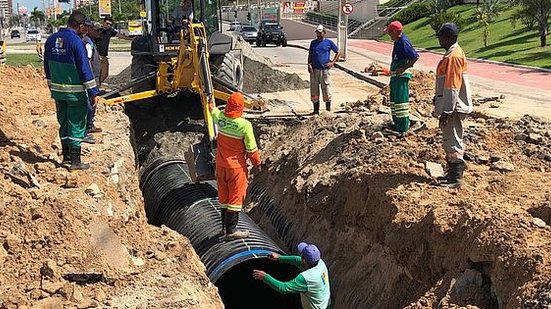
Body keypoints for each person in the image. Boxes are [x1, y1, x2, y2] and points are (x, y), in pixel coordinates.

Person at [44, 11, 99, 170]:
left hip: (58, 92)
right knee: (76, 124)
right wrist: (93, 92)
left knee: (64, 123)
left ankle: (66, 157)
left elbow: (46, 65)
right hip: (75, 94)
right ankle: (75, 162)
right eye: (85, 27)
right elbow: (84, 68)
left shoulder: (51, 39)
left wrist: (51, 85)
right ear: (80, 26)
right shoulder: (76, 41)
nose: (86, 31)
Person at [208, 92, 262, 240]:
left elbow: (212, 110)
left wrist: (210, 102)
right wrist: (257, 164)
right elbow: (252, 150)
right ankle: (231, 231)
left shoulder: (220, 119)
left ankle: (224, 228)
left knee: (224, 197)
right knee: (235, 198)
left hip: (220, 166)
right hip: (236, 168)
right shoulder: (244, 125)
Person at [433, 23, 473, 188]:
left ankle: (456, 178)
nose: (439, 40)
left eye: (441, 37)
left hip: (454, 107)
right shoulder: (452, 54)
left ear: (448, 38)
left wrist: (447, 111)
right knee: (449, 139)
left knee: (453, 140)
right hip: (451, 106)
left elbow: (452, 86)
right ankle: (451, 174)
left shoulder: (453, 57)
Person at [253, 242, 331, 309]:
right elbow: (298, 260)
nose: (300, 257)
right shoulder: (320, 262)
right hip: (325, 302)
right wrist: (280, 258)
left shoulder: (306, 278)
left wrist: (265, 277)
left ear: (305, 260)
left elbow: (284, 288)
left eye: (302, 255)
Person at [385, 21, 419, 136]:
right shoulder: (398, 41)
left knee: (401, 102)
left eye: (390, 32)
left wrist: (404, 68)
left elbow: (414, 57)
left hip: (401, 77)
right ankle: (397, 123)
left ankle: (402, 127)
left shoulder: (403, 42)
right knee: (395, 101)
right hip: (396, 77)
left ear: (395, 32)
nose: (389, 35)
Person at [308, 25, 340, 115]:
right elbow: (310, 54)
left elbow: (338, 52)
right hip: (314, 70)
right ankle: (315, 110)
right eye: (317, 33)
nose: (318, 34)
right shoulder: (313, 43)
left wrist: (333, 62)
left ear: (324, 33)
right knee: (314, 90)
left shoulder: (328, 42)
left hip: (324, 70)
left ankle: (327, 110)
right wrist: (309, 64)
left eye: (320, 33)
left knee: (326, 88)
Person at [82, 19, 103, 143]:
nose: (99, 33)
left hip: (94, 76)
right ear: (89, 30)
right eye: (97, 30)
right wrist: (89, 79)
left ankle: (89, 125)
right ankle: (88, 126)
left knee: (92, 102)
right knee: (91, 102)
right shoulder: (87, 42)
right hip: (92, 77)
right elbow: (88, 61)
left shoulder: (90, 41)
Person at [94, 16, 129, 85]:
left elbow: (119, 35)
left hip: (104, 56)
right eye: (107, 24)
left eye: (110, 24)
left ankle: (97, 86)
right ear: (103, 22)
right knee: (97, 73)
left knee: (105, 74)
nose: (108, 25)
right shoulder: (97, 31)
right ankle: (95, 88)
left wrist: (131, 39)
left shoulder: (110, 31)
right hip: (97, 56)